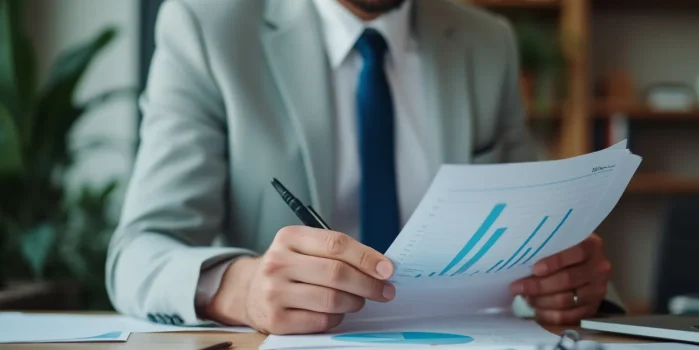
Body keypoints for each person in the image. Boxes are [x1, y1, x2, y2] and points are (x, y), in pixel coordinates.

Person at [105, 0, 624, 335]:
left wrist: (571, 280)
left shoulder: (488, 43)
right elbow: (139, 252)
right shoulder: (207, 28)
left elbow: (533, 237)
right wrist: (242, 289)